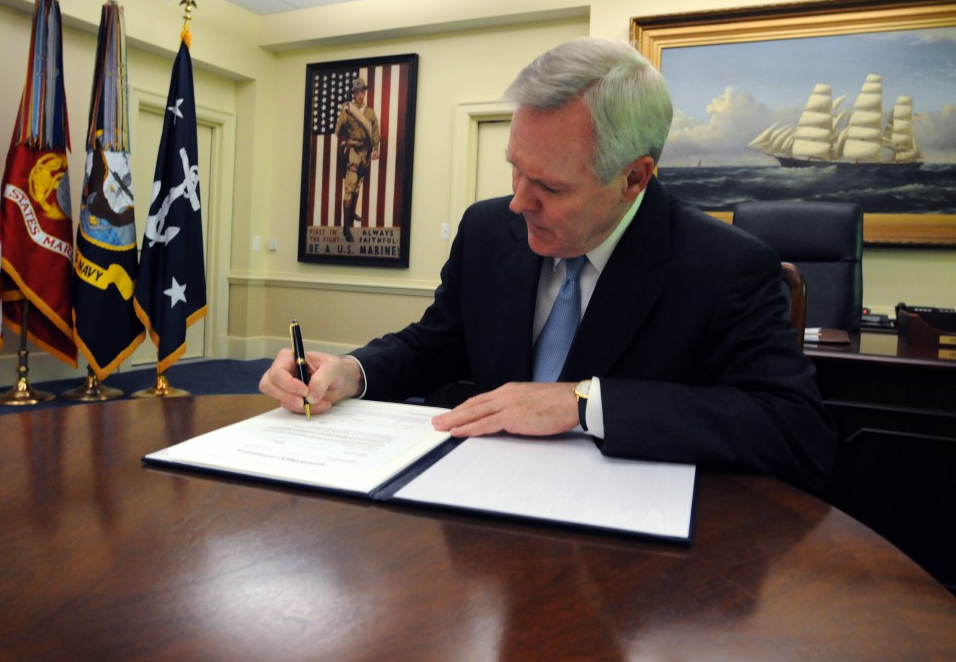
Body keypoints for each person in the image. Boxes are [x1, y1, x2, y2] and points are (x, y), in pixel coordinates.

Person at [261, 37, 836, 491]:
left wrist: (585, 403)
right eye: (515, 168)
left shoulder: (727, 266)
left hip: (630, 558)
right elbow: (437, 343)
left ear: (633, 178)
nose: (518, 201)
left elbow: (796, 431)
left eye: (550, 186)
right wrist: (352, 371)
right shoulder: (489, 230)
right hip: (480, 508)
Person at [334, 77, 380, 242]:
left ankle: (352, 213)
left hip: (365, 153)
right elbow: (338, 131)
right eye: (357, 91)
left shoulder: (370, 113)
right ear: (353, 93)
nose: (360, 94)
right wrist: (344, 117)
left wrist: (375, 149)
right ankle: (346, 228)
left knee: (358, 184)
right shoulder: (348, 109)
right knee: (349, 188)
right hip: (353, 151)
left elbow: (375, 131)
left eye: (362, 91)